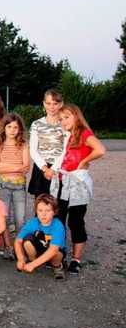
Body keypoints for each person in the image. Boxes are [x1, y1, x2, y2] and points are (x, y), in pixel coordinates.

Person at [51, 104, 105, 274]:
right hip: (62, 182)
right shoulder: (68, 135)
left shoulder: (84, 133)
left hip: (76, 184)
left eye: (67, 117)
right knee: (59, 220)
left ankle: (76, 259)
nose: (63, 121)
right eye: (61, 119)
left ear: (76, 116)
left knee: (75, 221)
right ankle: (60, 254)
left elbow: (100, 149)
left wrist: (84, 161)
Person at [0, 113, 30, 259]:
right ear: (4, 128)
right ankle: (8, 246)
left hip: (19, 186)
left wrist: (5, 166)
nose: (12, 130)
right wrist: (16, 166)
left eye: (15, 127)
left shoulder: (23, 145)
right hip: (3, 185)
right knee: (5, 218)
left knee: (20, 219)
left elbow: (26, 166)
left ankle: (19, 246)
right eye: (9, 127)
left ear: (20, 129)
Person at [14, 194, 67, 280]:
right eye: (40, 210)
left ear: (55, 212)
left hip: (53, 251)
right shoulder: (33, 222)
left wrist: (32, 265)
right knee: (27, 240)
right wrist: (21, 259)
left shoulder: (58, 225)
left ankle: (57, 267)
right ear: (36, 211)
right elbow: (18, 241)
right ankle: (32, 260)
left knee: (56, 252)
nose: (44, 214)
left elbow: (53, 250)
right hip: (40, 248)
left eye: (48, 210)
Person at [28, 89, 65, 199]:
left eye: (55, 103)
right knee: (41, 202)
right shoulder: (37, 124)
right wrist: (45, 168)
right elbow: (33, 150)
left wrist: (53, 168)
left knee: (59, 205)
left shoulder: (65, 124)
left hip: (60, 169)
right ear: (44, 104)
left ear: (61, 104)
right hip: (41, 169)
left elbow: (67, 149)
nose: (52, 107)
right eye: (48, 103)